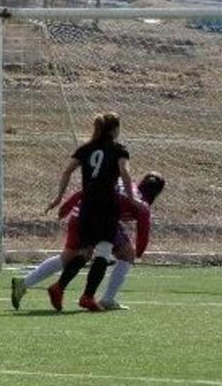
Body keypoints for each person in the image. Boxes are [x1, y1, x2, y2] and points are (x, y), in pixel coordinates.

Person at [11, 173, 165, 311]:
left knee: (73, 256)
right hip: (92, 220)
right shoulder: (142, 206)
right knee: (112, 255)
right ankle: (99, 298)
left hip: (83, 214)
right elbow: (143, 234)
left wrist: (67, 206)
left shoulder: (125, 184)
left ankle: (30, 284)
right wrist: (139, 253)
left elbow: (88, 190)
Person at [42, 112, 143, 312]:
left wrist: (59, 197)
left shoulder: (86, 149)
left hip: (87, 206)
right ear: (115, 129)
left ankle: (59, 287)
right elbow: (124, 172)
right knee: (104, 251)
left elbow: (67, 170)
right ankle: (87, 296)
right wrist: (132, 199)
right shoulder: (118, 149)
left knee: (86, 251)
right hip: (106, 206)